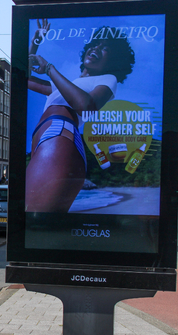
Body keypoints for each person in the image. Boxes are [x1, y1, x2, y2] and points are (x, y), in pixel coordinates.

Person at [27, 20, 135, 212]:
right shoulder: (71, 84)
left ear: (114, 60)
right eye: (95, 43)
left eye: (106, 48)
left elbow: (87, 106)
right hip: (48, 138)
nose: (97, 48)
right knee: (39, 219)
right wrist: (36, 42)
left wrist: (49, 69)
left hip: (59, 136)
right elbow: (24, 78)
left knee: (37, 217)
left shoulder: (108, 79)